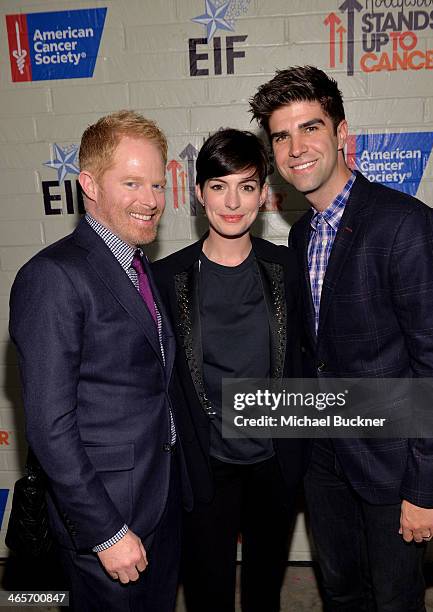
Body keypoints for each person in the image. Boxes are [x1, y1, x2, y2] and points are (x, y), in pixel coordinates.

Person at [250, 66, 433, 611]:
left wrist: (425, 489)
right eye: (281, 135)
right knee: (341, 591)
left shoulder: (408, 225)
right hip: (324, 465)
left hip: (393, 467)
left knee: (395, 599)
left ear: (342, 134)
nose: (296, 148)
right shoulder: (301, 235)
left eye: (310, 128)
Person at [9, 110, 190, 611]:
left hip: (158, 501)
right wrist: (107, 532)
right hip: (106, 519)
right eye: (132, 182)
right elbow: (49, 425)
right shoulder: (53, 277)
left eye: (156, 184)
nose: (151, 200)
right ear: (89, 183)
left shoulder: (136, 263)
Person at [153, 128, 307, 612]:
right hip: (205, 466)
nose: (233, 201)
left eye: (246, 185)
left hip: (274, 463)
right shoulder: (166, 278)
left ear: (265, 194)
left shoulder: (287, 268)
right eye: (219, 186)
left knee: (264, 595)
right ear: (199, 195)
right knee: (207, 596)